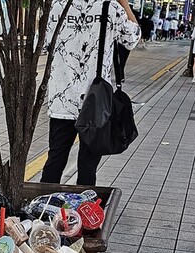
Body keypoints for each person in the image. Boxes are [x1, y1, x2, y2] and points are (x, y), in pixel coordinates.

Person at [40, 0, 139, 185]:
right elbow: (132, 39)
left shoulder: (56, 5)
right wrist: (124, 3)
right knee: (88, 165)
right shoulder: (111, 8)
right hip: (96, 103)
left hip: (62, 98)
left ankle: (45, 208)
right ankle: (84, 210)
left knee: (55, 159)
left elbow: (44, 45)